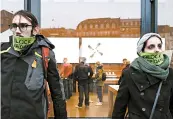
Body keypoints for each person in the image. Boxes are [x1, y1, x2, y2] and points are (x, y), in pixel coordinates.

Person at [1, 10, 67, 119]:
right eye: (14, 26)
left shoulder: (45, 54)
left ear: (35, 30)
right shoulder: (3, 51)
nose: (17, 31)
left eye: (23, 26)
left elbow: (57, 92)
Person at [112, 33, 173, 119]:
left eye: (159, 46)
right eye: (151, 47)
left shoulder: (169, 73)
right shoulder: (129, 73)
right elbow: (120, 107)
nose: (157, 50)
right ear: (142, 50)